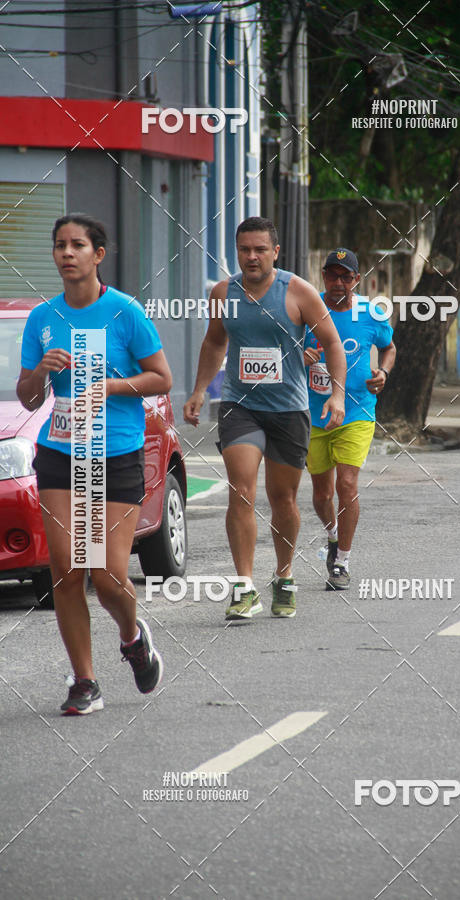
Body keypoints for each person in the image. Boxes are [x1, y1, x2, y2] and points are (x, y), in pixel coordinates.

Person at [17, 213, 172, 715]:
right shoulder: (43, 319)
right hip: (60, 451)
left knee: (106, 574)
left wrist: (109, 386)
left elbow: (162, 378)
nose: (66, 253)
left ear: (97, 255)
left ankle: (131, 636)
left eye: (77, 245)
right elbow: (26, 396)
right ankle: (84, 681)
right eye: (59, 244)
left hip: (116, 452)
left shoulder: (125, 312)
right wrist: (41, 371)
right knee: (65, 570)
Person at [183, 216, 346, 621]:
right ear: (236, 252)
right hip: (240, 405)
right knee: (240, 488)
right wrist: (200, 390)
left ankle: (285, 575)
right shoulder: (224, 292)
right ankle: (244, 586)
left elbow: (332, 343)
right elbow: (215, 341)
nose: (251, 257)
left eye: (259, 250)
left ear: (275, 252)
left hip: (289, 409)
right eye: (244, 250)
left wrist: (338, 395)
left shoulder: (299, 292)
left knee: (283, 499)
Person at [304, 248, 396, 590]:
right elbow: (285, 350)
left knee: (347, 485)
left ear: (357, 280)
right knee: (320, 494)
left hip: (358, 410)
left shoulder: (371, 314)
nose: (338, 282)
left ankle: (341, 561)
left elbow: (389, 346)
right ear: (323, 276)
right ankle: (332, 535)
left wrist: (383, 371)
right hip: (314, 415)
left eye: (346, 276)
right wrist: (302, 355)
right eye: (332, 275)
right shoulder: (307, 310)